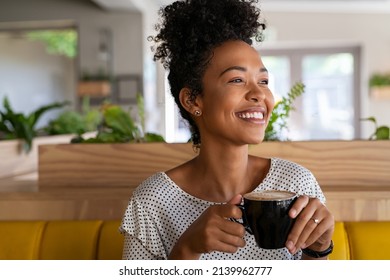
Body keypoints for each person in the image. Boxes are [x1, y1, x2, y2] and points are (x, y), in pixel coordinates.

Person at [120, 0, 334, 260]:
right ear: (193, 100)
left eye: (264, 81)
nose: (259, 94)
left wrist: (320, 248)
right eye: (237, 80)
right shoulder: (151, 201)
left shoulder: (296, 183)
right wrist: (188, 248)